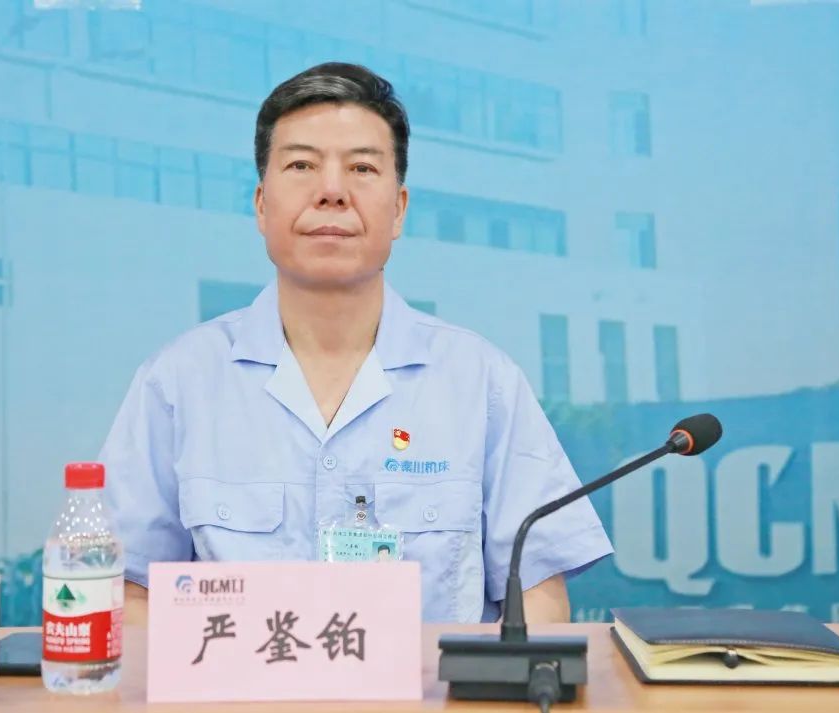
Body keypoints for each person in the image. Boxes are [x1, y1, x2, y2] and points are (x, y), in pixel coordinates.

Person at [100, 62, 612, 625]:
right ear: (261, 204)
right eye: (301, 165)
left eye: (362, 168)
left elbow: (537, 593)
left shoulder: (481, 382)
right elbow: (130, 591)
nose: (332, 192)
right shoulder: (179, 382)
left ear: (399, 209)